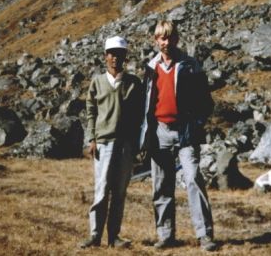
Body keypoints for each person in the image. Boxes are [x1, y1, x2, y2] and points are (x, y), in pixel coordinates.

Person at [140, 19, 217, 252]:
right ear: (155, 41)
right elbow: (145, 102)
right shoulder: (151, 68)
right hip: (159, 132)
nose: (166, 42)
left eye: (170, 37)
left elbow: (206, 101)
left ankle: (204, 235)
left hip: (185, 132)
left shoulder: (191, 65)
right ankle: (165, 234)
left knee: (193, 178)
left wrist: (196, 124)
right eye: (161, 38)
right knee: (161, 184)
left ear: (177, 38)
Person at [80, 35, 142, 249]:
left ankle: (114, 236)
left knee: (120, 192)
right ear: (105, 56)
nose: (115, 57)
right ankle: (95, 235)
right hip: (104, 143)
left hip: (125, 145)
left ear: (125, 56)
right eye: (111, 53)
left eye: (120, 53)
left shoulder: (134, 83)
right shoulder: (97, 82)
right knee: (101, 190)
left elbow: (139, 116)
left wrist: (136, 144)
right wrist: (91, 138)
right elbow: (90, 111)